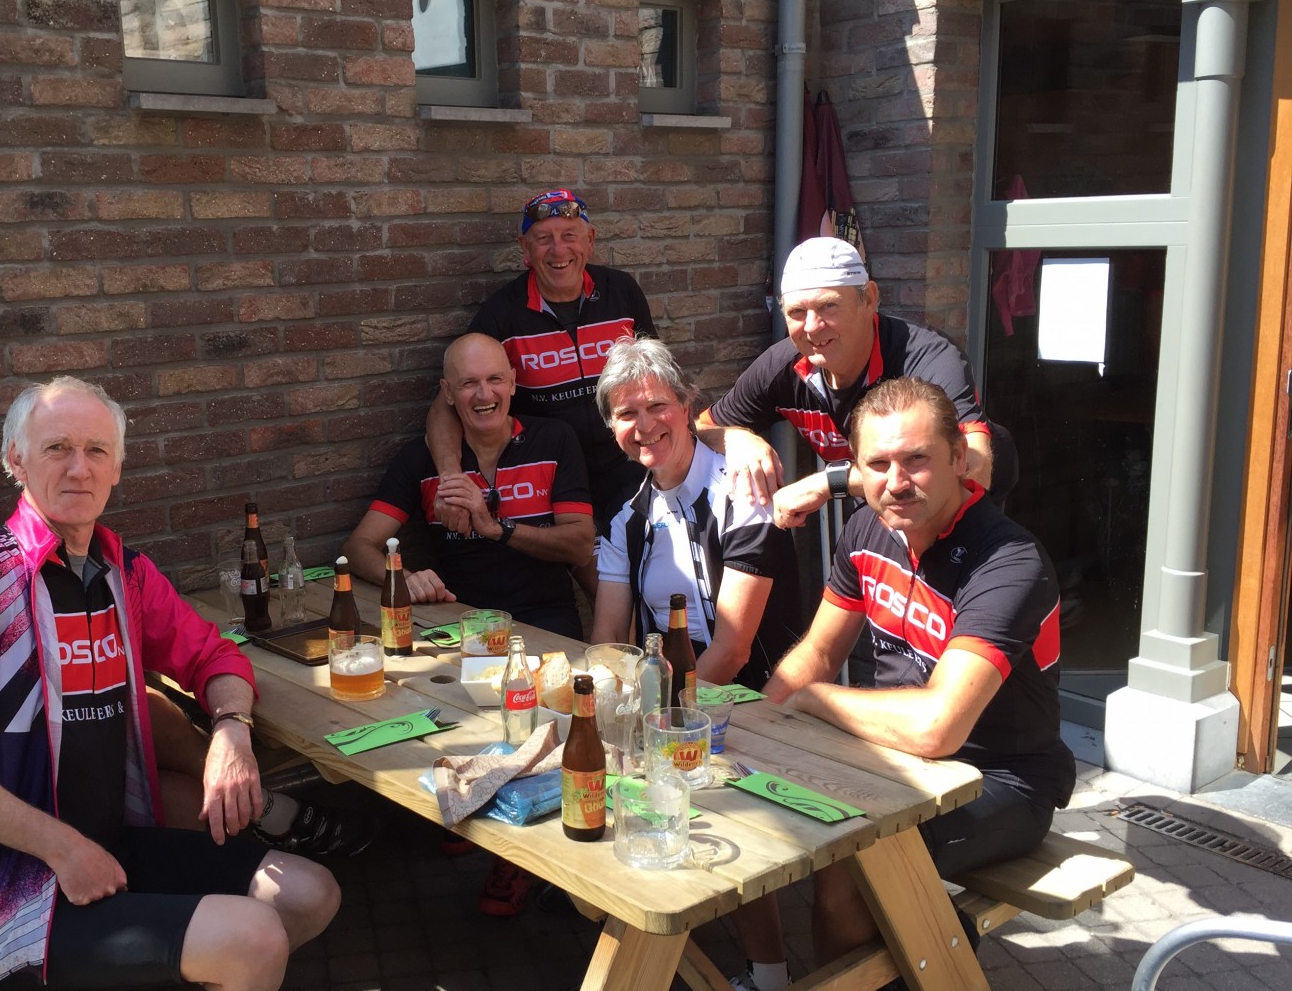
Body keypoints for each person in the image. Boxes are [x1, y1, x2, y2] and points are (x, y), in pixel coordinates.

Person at [671, 378, 1073, 991]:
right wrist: (752, 723)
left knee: (850, 861)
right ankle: (773, 983)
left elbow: (937, 728)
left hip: (1000, 778)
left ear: (960, 460)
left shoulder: (1008, 561)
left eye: (917, 460)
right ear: (855, 468)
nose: (896, 481)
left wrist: (815, 704)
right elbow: (817, 653)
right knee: (734, 799)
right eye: (878, 463)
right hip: (891, 761)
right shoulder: (866, 529)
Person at [0, 378, 339, 991]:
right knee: (253, 937)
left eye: (97, 450)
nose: (80, 468)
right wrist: (62, 848)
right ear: (16, 460)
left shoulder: (123, 572)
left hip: (106, 848)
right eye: (57, 448)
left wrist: (232, 732)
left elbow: (215, 658)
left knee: (310, 894)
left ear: (118, 467)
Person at [0, 412, 365, 857]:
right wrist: (74, 694)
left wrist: (230, 728)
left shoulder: (37, 555)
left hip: (45, 747)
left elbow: (205, 650)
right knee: (134, 719)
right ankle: (240, 854)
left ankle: (252, 821)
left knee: (164, 759)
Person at [696, 236, 1015, 527]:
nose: (812, 326)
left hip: (962, 515)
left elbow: (974, 466)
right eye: (796, 312)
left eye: (828, 306)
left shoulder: (927, 359)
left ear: (869, 299)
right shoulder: (782, 367)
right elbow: (699, 428)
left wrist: (828, 483)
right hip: (883, 509)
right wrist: (737, 439)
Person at [427, 188, 657, 531]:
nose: (558, 250)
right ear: (525, 249)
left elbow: (660, 381)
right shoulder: (502, 314)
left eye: (569, 236)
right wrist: (450, 479)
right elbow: (446, 405)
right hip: (549, 477)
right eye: (543, 239)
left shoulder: (622, 292)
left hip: (628, 463)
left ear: (590, 241)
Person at [344, 332, 596, 638]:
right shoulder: (420, 458)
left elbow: (581, 546)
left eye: (495, 379)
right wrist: (404, 579)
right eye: (469, 383)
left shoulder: (553, 440)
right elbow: (357, 547)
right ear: (447, 393)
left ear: (513, 382)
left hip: (545, 619)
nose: (485, 394)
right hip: (459, 620)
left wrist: (496, 529)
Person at [591, 339, 803, 692]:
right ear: (611, 426)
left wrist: (667, 710)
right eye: (627, 414)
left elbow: (732, 652)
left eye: (657, 405)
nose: (645, 425)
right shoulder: (625, 516)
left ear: (686, 406)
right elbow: (609, 638)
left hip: (755, 699)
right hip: (663, 695)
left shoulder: (744, 492)